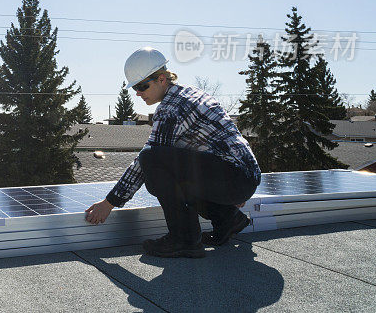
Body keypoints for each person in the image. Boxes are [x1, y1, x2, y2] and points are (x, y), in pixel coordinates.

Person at [85, 47, 261, 258]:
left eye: (142, 86)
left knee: (152, 160)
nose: (139, 93)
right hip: (243, 175)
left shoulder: (171, 107)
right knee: (172, 170)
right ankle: (228, 219)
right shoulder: (192, 93)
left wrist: (110, 202)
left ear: (161, 79)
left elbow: (146, 160)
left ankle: (184, 240)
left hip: (233, 178)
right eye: (135, 89)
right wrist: (237, 188)